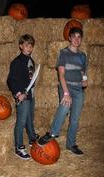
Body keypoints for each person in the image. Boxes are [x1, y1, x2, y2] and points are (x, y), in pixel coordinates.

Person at [38, 27, 88, 155]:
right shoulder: (63, 53)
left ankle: (71, 144)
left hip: (78, 88)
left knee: (75, 119)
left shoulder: (83, 56)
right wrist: (66, 93)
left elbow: (83, 72)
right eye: (74, 37)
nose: (76, 39)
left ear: (81, 39)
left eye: (79, 37)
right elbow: (61, 75)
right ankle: (52, 133)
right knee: (65, 106)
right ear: (69, 38)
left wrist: (84, 80)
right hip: (66, 86)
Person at [7, 34, 39, 160]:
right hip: (22, 96)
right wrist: (18, 94)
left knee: (30, 119)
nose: (29, 47)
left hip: (31, 95)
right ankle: (19, 147)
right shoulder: (16, 62)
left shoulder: (31, 61)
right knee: (21, 122)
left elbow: (31, 78)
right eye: (26, 45)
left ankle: (32, 139)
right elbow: (10, 80)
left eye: (31, 45)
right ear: (21, 46)